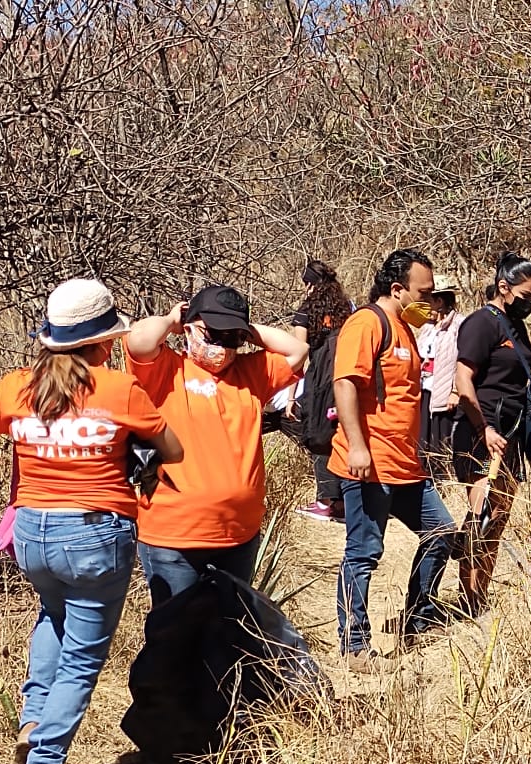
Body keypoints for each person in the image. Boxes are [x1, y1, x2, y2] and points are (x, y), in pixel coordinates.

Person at [0, 278, 182, 764]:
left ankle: (34, 721)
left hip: (32, 531)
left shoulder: (16, 387)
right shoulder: (118, 389)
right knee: (82, 657)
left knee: (52, 618)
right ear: (104, 341)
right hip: (94, 533)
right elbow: (170, 448)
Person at [125, 284, 307, 601]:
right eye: (214, 334)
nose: (222, 346)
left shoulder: (252, 373)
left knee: (227, 632)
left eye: (231, 338)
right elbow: (139, 341)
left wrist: (246, 330)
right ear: (191, 327)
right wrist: (172, 320)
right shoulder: (167, 370)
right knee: (175, 636)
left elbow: (297, 351)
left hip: (239, 534)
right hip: (174, 536)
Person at [330, 248, 458, 670]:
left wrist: (435, 314)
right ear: (397, 288)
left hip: (406, 465)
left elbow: (437, 323)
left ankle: (418, 618)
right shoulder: (367, 323)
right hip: (370, 462)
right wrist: (357, 446)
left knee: (440, 531)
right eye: (423, 291)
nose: (430, 298)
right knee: (364, 551)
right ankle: (354, 645)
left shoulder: (405, 323)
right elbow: (346, 384)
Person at [453, 253, 531, 617]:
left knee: (499, 517)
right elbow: (463, 382)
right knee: (482, 515)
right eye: (525, 297)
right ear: (503, 287)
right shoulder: (481, 324)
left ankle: (479, 597)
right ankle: (467, 599)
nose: (530, 304)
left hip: (512, 435)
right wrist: (484, 429)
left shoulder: (515, 326)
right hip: (483, 434)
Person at [277, 259, 354, 521]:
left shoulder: (305, 311)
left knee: (319, 435)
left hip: (319, 379)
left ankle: (326, 501)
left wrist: (290, 396)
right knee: (340, 432)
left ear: (310, 284)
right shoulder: (347, 307)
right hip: (347, 375)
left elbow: (298, 355)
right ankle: (345, 501)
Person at [416, 274, 465, 483]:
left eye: (430, 299)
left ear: (440, 300)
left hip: (444, 391)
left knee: (441, 438)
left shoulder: (459, 326)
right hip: (424, 387)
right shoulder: (426, 327)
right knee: (422, 437)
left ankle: (442, 480)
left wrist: (456, 390)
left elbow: (462, 360)